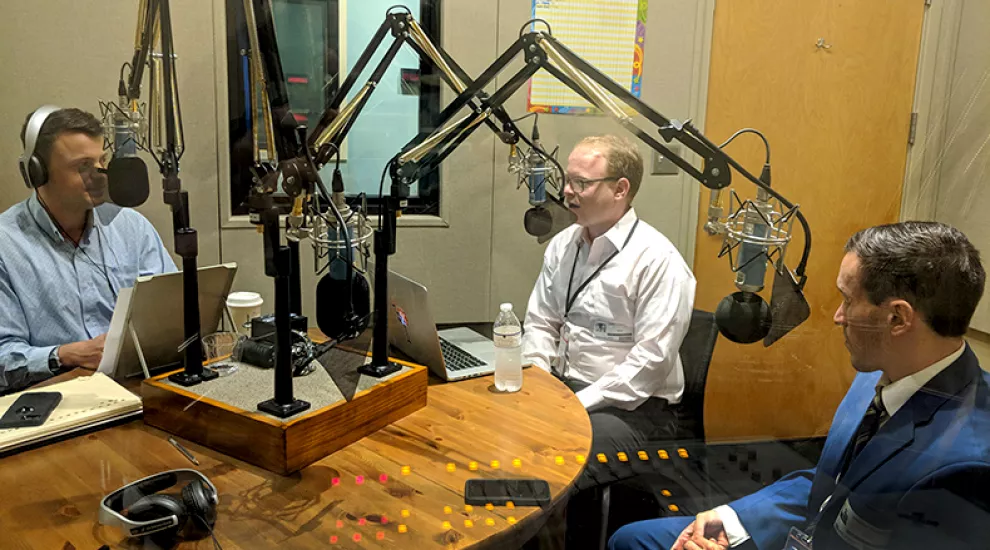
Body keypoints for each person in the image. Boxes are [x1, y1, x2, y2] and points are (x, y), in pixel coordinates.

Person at [610, 221, 990, 550]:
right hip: (812, 532)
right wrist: (731, 519)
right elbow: (830, 484)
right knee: (632, 539)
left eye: (847, 300)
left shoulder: (965, 467)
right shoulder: (878, 372)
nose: (838, 317)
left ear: (897, 318)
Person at [521, 134, 696, 547]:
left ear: (621, 190)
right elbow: (541, 322)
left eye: (582, 183)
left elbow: (648, 366)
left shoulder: (658, 261)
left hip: (635, 409)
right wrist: (540, 384)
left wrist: (570, 405)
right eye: (567, 179)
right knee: (504, 432)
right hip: (566, 390)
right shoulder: (564, 245)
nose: (567, 191)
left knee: (544, 460)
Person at [0, 106, 175, 394]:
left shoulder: (132, 227)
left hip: (138, 387)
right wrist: (66, 354)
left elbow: (170, 308)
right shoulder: (7, 245)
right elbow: (4, 354)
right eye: (83, 166)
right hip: (54, 399)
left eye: (102, 161)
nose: (102, 175)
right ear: (37, 172)